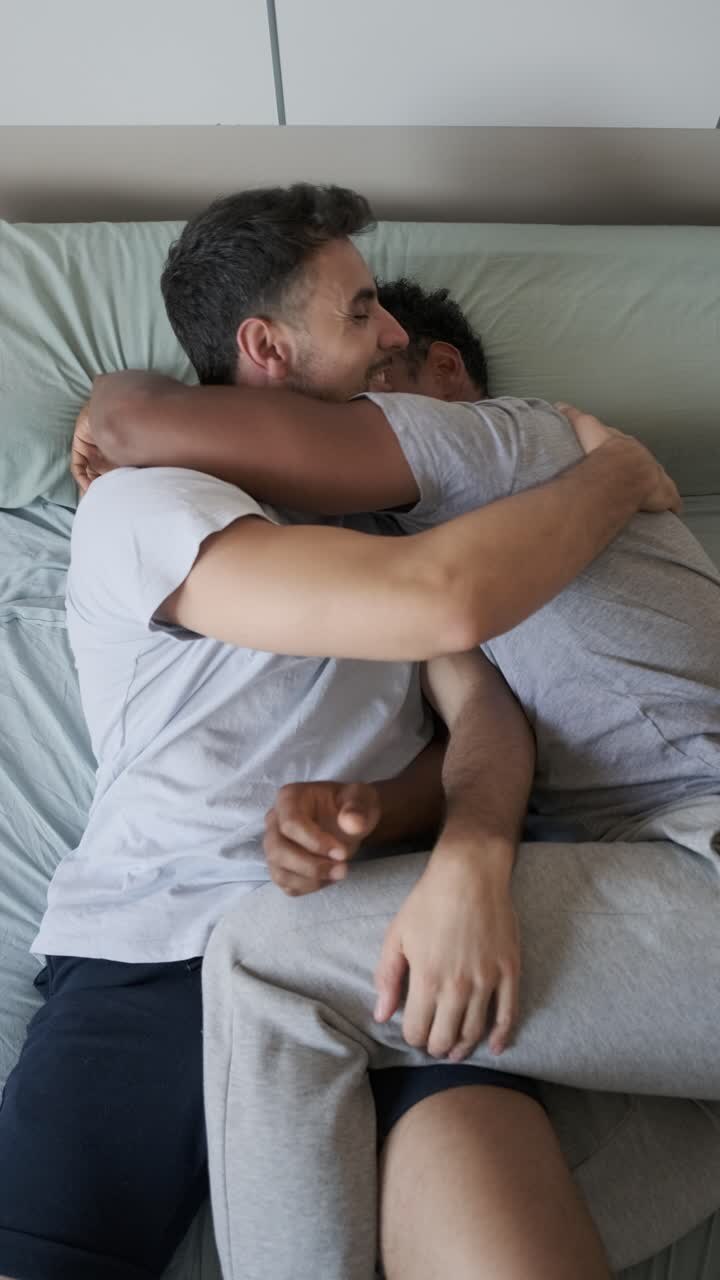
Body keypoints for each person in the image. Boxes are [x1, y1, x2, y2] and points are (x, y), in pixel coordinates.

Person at [0, 184, 667, 1280]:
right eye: (361, 312)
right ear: (265, 345)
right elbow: (433, 601)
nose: (396, 333)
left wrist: (420, 824)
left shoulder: (402, 505)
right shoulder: (147, 504)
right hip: (159, 946)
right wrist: (618, 471)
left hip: (378, 945)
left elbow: (487, 718)